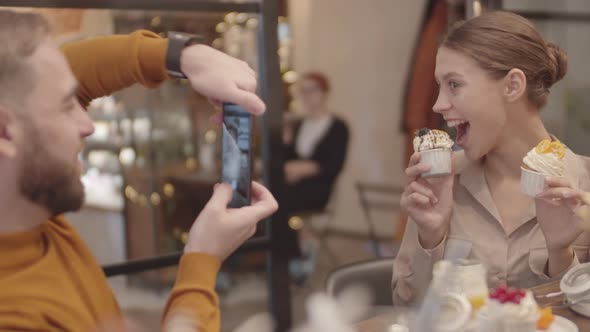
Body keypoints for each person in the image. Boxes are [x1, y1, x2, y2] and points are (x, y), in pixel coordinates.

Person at [0, 10, 277, 332]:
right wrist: (202, 260)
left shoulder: (22, 209)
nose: (86, 123)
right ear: (5, 131)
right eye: (66, 105)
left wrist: (184, 56)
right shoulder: (16, 317)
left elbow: (65, 71)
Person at [393, 11, 590, 305]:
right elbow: (406, 309)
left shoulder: (584, 186)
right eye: (440, 86)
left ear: (512, 86)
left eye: (455, 84)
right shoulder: (440, 183)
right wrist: (430, 240)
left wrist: (561, 254)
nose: (438, 104)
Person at [281, 72, 349, 278]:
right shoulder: (299, 124)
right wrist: (285, 141)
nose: (307, 95)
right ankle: (287, 254)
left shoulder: (338, 127)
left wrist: (301, 169)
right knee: (267, 198)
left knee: (277, 202)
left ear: (325, 93)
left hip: (318, 190)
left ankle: (294, 258)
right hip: (292, 185)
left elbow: (333, 166)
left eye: (312, 90)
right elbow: (286, 160)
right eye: (303, 90)